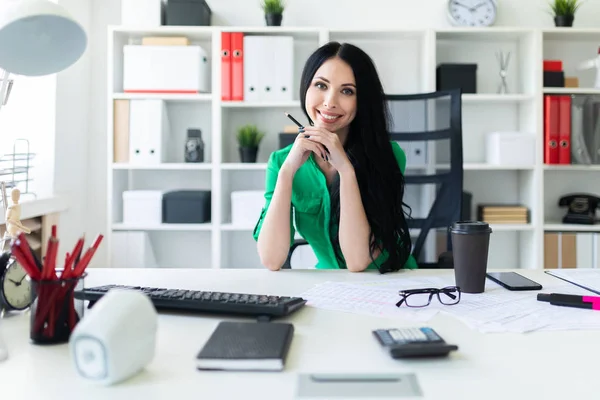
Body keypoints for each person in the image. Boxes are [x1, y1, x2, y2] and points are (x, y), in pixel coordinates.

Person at [253, 41, 417, 273]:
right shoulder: (281, 162)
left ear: (362, 101)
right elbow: (271, 259)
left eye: (347, 91)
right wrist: (287, 172)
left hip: (389, 282)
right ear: (306, 88)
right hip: (330, 286)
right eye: (321, 85)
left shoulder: (388, 155)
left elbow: (359, 261)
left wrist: (346, 170)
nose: (330, 102)